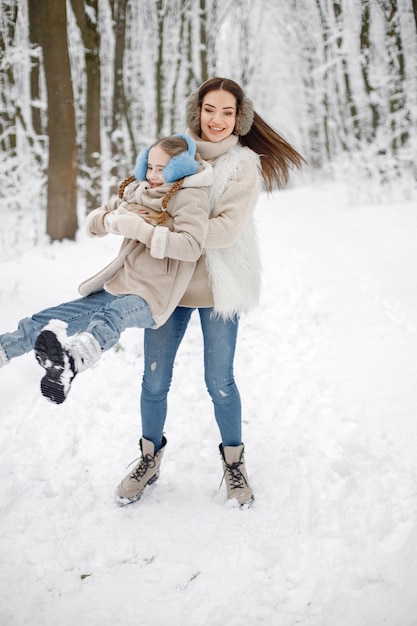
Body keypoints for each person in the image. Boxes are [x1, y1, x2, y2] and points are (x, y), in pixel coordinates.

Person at [115, 77, 305, 509]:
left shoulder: (242, 165)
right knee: (154, 379)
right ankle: (149, 459)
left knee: (219, 382)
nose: (217, 120)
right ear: (196, 112)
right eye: (210, 110)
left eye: (227, 112)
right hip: (167, 284)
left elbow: (223, 231)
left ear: (240, 118)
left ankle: (233, 464)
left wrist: (161, 228)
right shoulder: (176, 152)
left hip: (220, 287)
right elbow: (142, 194)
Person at [0, 135, 212, 404]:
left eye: (162, 169)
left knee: (113, 315)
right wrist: (110, 221)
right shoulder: (139, 190)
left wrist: (143, 231)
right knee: (58, 316)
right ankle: (4, 348)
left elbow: (192, 246)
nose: (154, 175)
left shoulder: (190, 198)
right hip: (121, 283)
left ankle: (74, 360)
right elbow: (96, 220)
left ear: (180, 167)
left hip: (152, 295)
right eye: (150, 167)